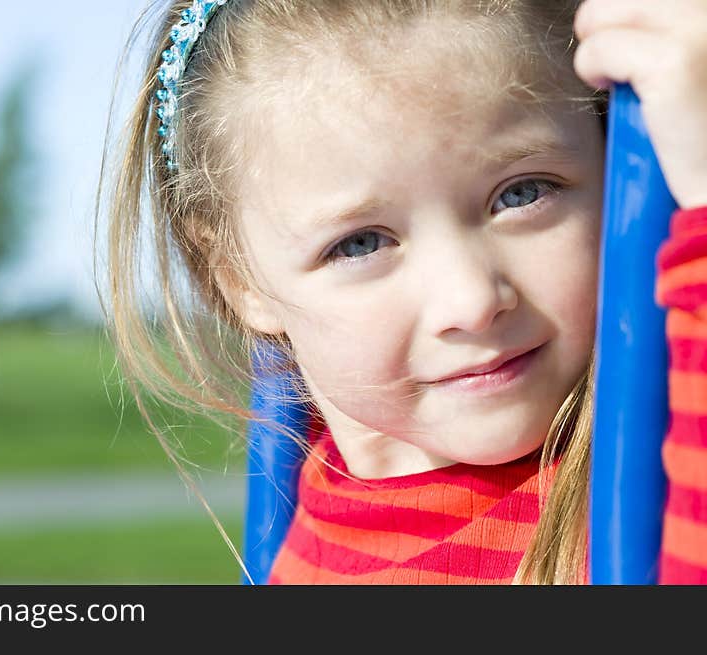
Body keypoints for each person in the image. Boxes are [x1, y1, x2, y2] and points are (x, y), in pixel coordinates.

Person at [100, 0, 707, 584]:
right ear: (238, 277)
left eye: (522, 193)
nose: (471, 301)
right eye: (362, 244)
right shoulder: (295, 525)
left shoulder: (656, 490)